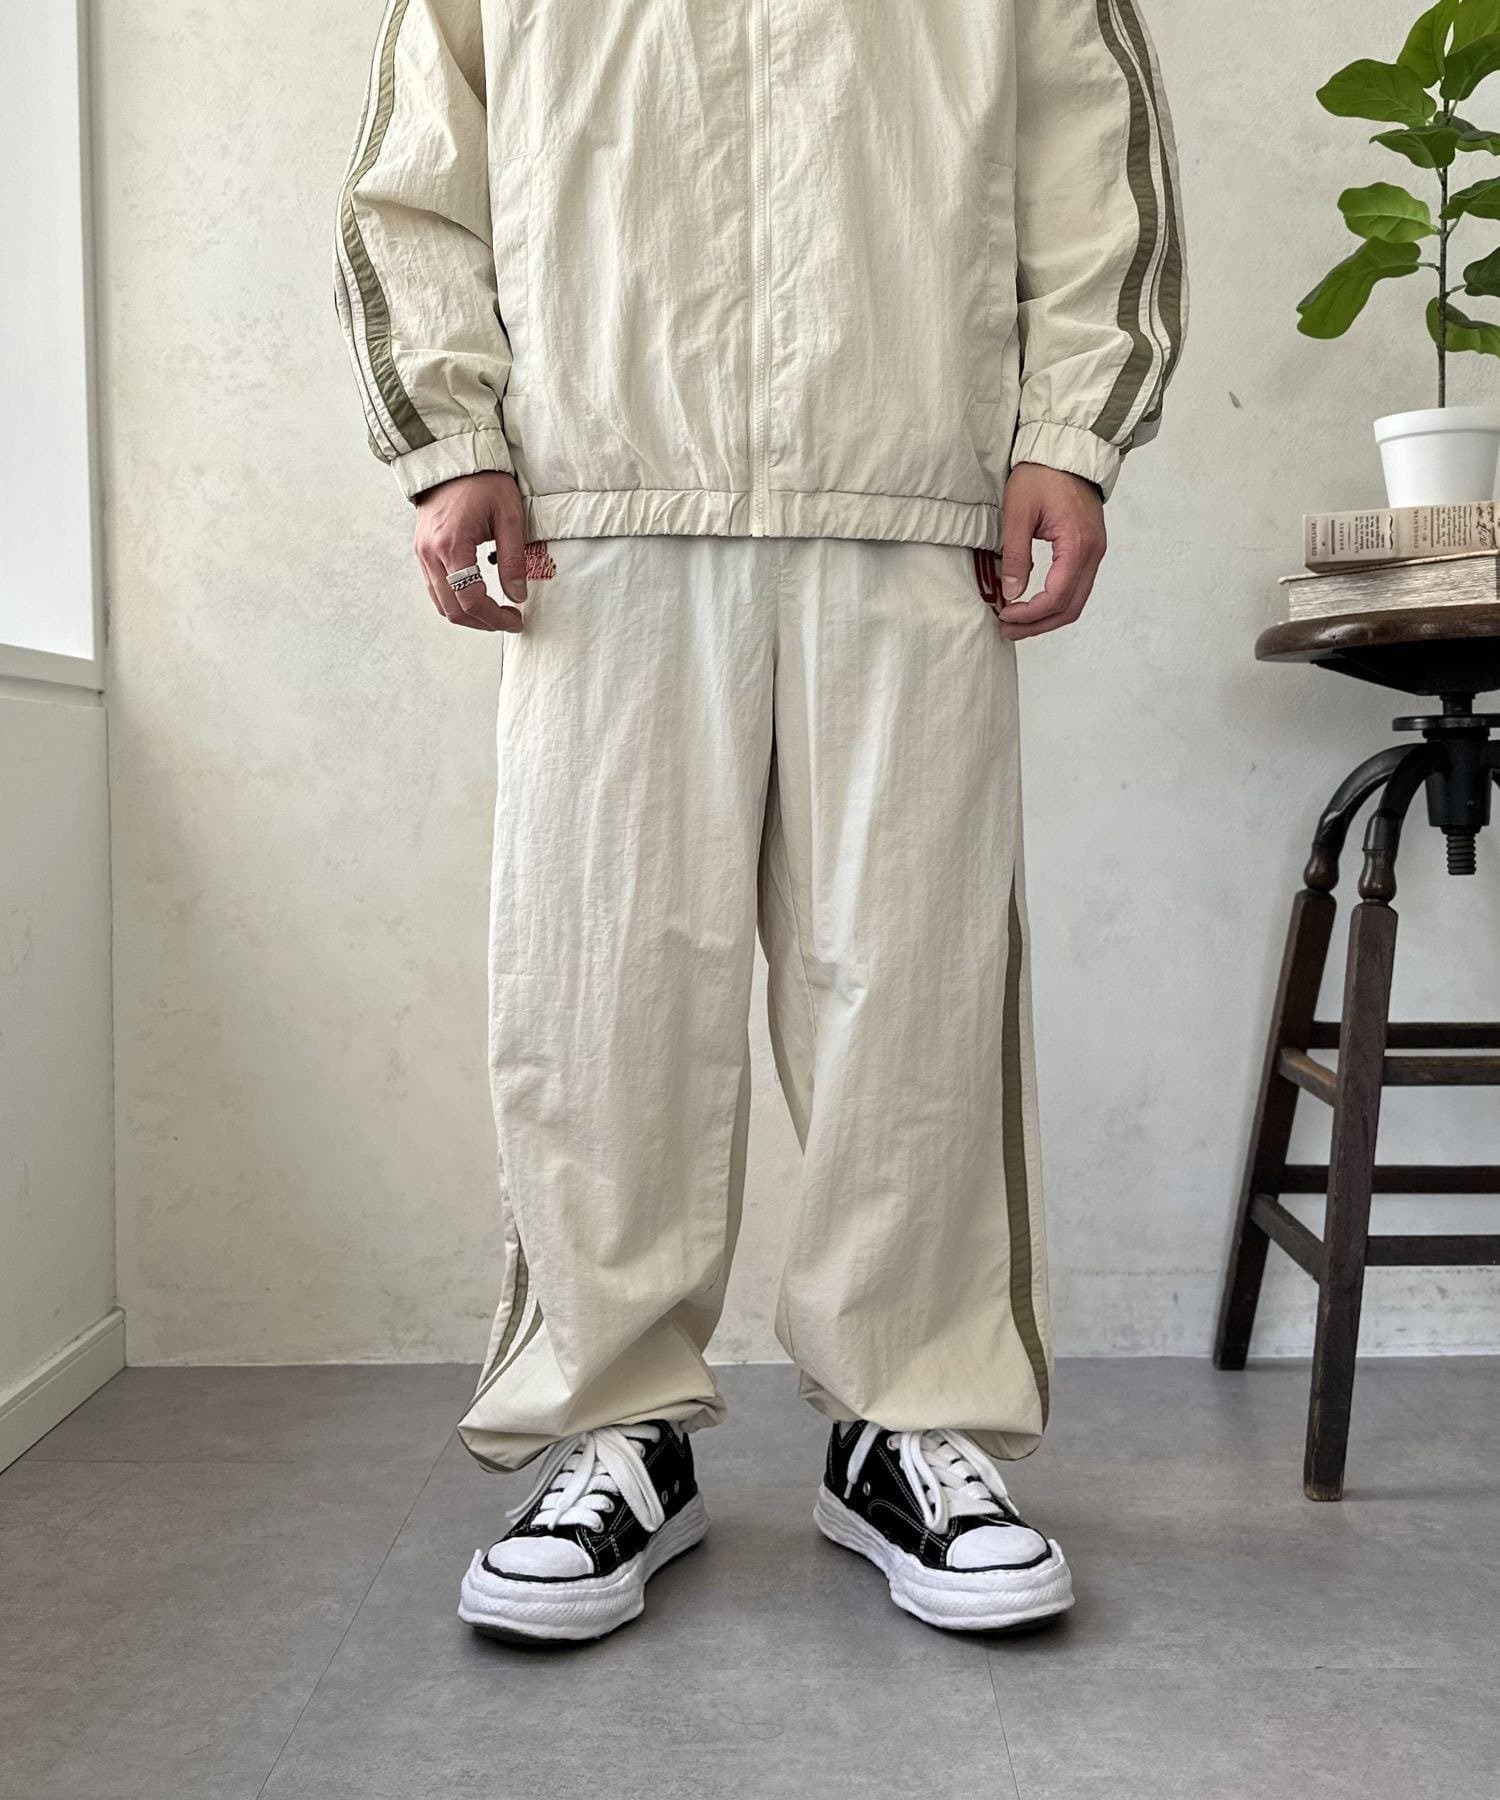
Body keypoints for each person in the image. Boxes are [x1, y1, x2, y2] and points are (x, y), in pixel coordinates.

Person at [336, 0, 1184, 1645]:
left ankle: (906, 1416)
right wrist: (451, 435)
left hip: (911, 492)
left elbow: (1094, 148)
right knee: (599, 990)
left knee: (916, 986)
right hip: (600, 500)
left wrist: (1071, 432)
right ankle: (613, 1425)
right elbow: (416, 173)